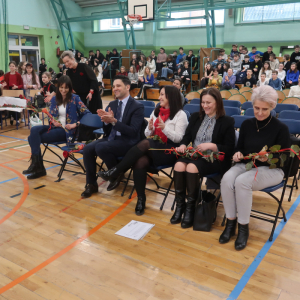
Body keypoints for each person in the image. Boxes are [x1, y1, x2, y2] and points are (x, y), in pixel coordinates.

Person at [219, 85, 290, 250]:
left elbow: (284, 160)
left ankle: (243, 228)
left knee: (242, 182)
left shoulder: (281, 128)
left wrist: (269, 157)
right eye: (256, 108)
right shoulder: (247, 125)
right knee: (227, 179)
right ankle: (230, 223)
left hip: (273, 169)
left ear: (272, 107)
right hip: (247, 164)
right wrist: (237, 154)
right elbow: (240, 149)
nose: (259, 112)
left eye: (264, 109)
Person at [98, 85, 188, 215]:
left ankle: (116, 170)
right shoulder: (157, 111)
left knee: (145, 143)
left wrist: (164, 128)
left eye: (162, 95)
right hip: (153, 147)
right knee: (140, 161)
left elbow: (178, 138)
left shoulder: (181, 115)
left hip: (170, 150)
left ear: (171, 96)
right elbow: (147, 134)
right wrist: (150, 128)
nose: (159, 97)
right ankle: (141, 198)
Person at [171, 88, 235, 228]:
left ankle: (191, 208)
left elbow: (229, 149)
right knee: (179, 165)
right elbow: (187, 136)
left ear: (217, 103)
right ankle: (180, 206)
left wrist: (212, 146)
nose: (205, 106)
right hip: (194, 155)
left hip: (214, 158)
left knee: (192, 167)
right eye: (203, 102)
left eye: (208, 103)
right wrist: (182, 145)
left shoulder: (227, 121)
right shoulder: (195, 117)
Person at [81, 75, 144, 197]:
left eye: (118, 86)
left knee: (101, 147)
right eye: (114, 86)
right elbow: (107, 130)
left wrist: (114, 121)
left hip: (128, 141)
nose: (115, 88)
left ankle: (115, 173)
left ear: (127, 87)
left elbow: (133, 131)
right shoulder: (112, 104)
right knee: (87, 148)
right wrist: (105, 121)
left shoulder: (137, 106)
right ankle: (92, 184)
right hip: (112, 138)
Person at [24, 75, 91, 180]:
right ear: (58, 87)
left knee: (31, 138)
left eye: (66, 88)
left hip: (67, 131)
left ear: (69, 88)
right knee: (34, 129)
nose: (63, 90)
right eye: (61, 87)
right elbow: (51, 115)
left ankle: (38, 167)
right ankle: (37, 166)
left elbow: (88, 115)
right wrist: (53, 121)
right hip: (55, 127)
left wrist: (75, 124)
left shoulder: (75, 98)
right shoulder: (55, 99)